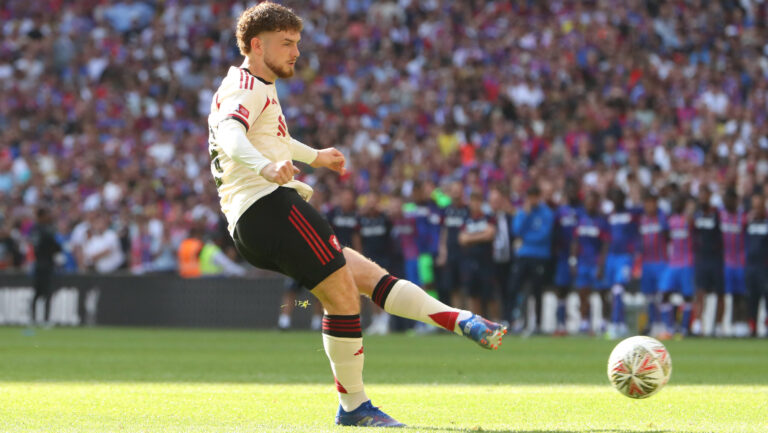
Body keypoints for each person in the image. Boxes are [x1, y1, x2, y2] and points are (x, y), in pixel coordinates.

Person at [206, 3, 506, 427]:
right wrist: (265, 167)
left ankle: (461, 320)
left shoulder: (257, 84)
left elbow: (275, 137)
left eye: (297, 43)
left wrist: (316, 157)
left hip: (257, 216)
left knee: (363, 276)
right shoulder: (244, 87)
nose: (296, 52)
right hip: (267, 206)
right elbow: (232, 133)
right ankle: (354, 408)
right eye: (286, 43)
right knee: (342, 296)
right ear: (257, 45)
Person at [511, 185, 554, 334]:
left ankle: (538, 324)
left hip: (539, 255)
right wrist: (525, 215)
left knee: (537, 291)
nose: (532, 200)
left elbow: (544, 235)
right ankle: (515, 321)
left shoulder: (546, 213)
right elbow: (516, 231)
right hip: (523, 255)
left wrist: (525, 239)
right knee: (515, 287)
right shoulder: (523, 212)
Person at [602, 188, 641, 339]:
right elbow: (606, 238)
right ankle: (616, 322)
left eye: (619, 197)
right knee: (613, 291)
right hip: (611, 256)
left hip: (625, 256)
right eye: (614, 197)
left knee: (619, 289)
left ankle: (618, 323)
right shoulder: (609, 216)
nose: (616, 200)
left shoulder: (632, 214)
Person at [571, 190, 609, 334]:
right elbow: (575, 242)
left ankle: (604, 321)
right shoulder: (580, 219)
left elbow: (605, 244)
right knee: (583, 292)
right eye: (588, 202)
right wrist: (573, 260)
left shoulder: (601, 221)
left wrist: (601, 264)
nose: (590, 205)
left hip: (595, 261)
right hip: (582, 262)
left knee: (602, 293)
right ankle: (584, 322)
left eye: (593, 203)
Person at [659, 195, 696, 339]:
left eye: (678, 202)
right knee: (664, 294)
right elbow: (666, 236)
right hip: (673, 263)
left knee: (687, 296)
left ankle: (685, 329)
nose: (676, 205)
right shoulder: (670, 221)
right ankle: (669, 327)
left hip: (687, 262)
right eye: (674, 202)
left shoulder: (688, 220)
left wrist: (690, 210)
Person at [357, 192, 393, 335]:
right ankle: (376, 320)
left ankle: (384, 320)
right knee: (370, 291)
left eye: (374, 202)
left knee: (382, 290)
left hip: (383, 259)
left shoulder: (384, 219)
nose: (371, 205)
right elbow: (357, 237)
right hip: (368, 259)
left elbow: (391, 228)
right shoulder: (362, 219)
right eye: (369, 202)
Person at [458, 191, 498, 319]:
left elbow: (490, 234)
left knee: (489, 295)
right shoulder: (466, 219)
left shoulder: (488, 218)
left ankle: (495, 322)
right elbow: (462, 239)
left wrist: (471, 237)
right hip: (470, 261)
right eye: (473, 201)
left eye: (478, 201)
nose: (475, 204)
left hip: (486, 262)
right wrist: (481, 235)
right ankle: (477, 323)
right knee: (473, 295)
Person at [692, 185, 724, 336]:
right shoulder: (696, 214)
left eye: (705, 195)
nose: (702, 198)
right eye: (700, 195)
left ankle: (718, 326)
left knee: (720, 293)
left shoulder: (716, 214)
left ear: (710, 196)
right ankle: (698, 324)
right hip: (702, 258)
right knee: (700, 292)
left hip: (716, 258)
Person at [552, 182, 581, 335]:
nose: (572, 192)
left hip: (581, 256)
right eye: (569, 190)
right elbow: (554, 234)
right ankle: (561, 323)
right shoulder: (560, 212)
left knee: (584, 288)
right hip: (563, 256)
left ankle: (584, 322)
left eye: (574, 189)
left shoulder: (582, 210)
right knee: (561, 289)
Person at [639, 191, 668, 335]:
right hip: (647, 264)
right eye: (647, 202)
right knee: (649, 296)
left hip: (660, 262)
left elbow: (668, 238)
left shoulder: (662, 218)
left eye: (652, 202)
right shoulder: (642, 219)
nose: (649, 205)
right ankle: (653, 323)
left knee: (661, 296)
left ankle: (664, 325)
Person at [720, 188, 749, 337]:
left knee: (740, 294)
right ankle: (726, 324)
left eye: (731, 200)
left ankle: (741, 323)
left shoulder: (743, 218)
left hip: (740, 262)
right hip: (725, 263)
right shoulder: (720, 216)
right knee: (724, 295)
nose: (728, 203)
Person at [436, 180, 470, 308]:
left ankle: (469, 320)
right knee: (453, 288)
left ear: (462, 192)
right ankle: (458, 321)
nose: (456, 193)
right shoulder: (446, 211)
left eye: (458, 190)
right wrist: (442, 251)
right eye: (453, 190)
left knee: (466, 288)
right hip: (451, 254)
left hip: (465, 254)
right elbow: (444, 231)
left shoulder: (468, 210)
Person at [29, 208, 61, 326]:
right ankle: (42, 319)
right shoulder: (46, 230)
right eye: (47, 214)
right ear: (41, 216)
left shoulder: (35, 229)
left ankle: (37, 319)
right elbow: (56, 246)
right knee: (43, 292)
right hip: (46, 264)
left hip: (39, 264)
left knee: (41, 293)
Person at [745, 192, 768, 337]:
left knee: (766, 297)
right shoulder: (749, 222)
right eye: (754, 206)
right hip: (751, 266)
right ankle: (752, 328)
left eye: (759, 206)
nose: (756, 209)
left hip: (764, 267)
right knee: (752, 298)